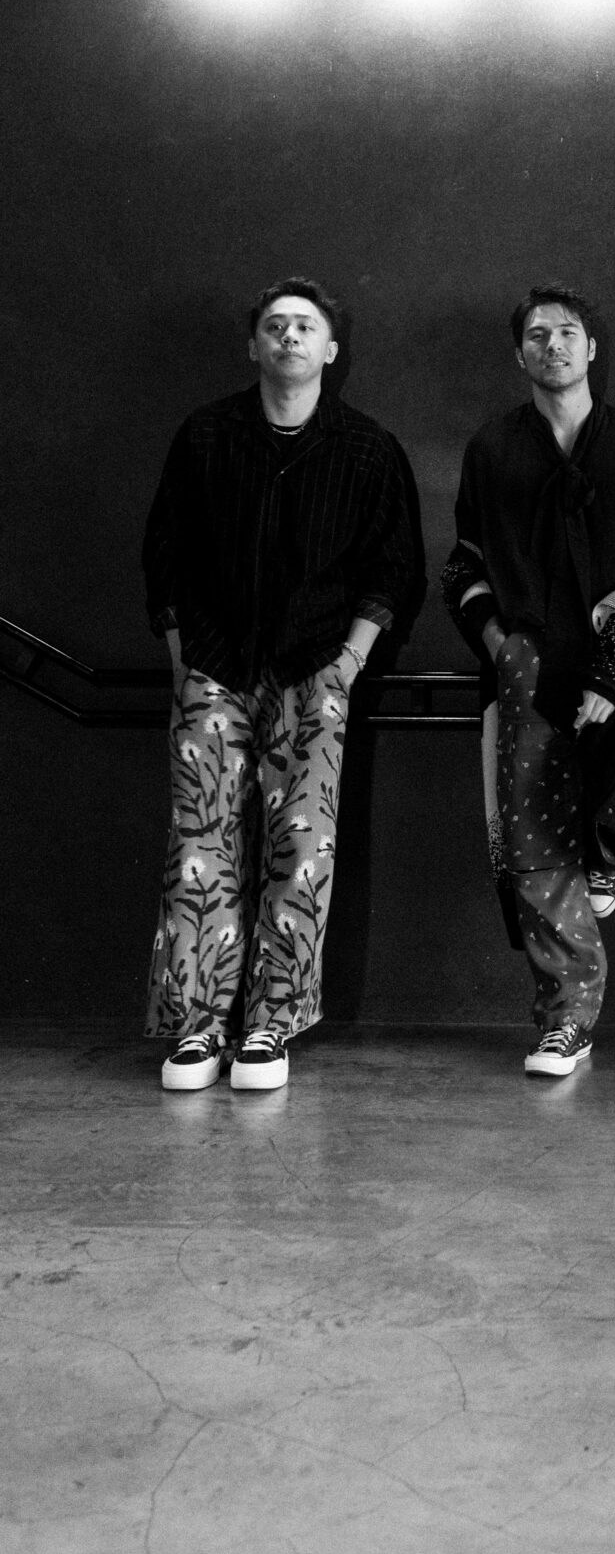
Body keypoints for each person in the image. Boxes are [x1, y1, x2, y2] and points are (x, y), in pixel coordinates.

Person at [143, 279, 425, 1093]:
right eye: (275, 325)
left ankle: (270, 1024)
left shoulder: (367, 448)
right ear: (254, 345)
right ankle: (197, 1029)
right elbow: (166, 553)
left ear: (331, 349)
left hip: (316, 669)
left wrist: (349, 662)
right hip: (216, 667)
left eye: (305, 325)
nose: (289, 336)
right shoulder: (206, 435)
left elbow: (393, 568)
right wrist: (183, 657)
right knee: (199, 849)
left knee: (303, 851)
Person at [442, 285, 615, 1078]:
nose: (554, 344)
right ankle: (566, 1021)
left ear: (592, 348)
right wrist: (497, 642)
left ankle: (607, 856)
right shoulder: (493, 448)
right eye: (538, 334)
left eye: (568, 332)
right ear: (520, 353)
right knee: (536, 848)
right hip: (527, 666)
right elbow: (463, 565)